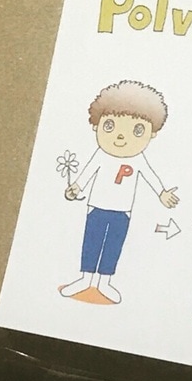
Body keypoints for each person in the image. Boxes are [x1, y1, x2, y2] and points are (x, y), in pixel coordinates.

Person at [59, 80, 179, 305]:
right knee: (92, 241)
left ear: (152, 134)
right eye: (110, 126)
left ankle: (104, 281)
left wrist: (162, 193)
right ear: (96, 125)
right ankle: (85, 278)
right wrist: (76, 188)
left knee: (113, 245)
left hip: (122, 211)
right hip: (96, 207)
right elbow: (87, 172)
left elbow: (150, 176)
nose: (121, 137)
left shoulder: (138, 159)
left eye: (137, 130)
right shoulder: (101, 154)